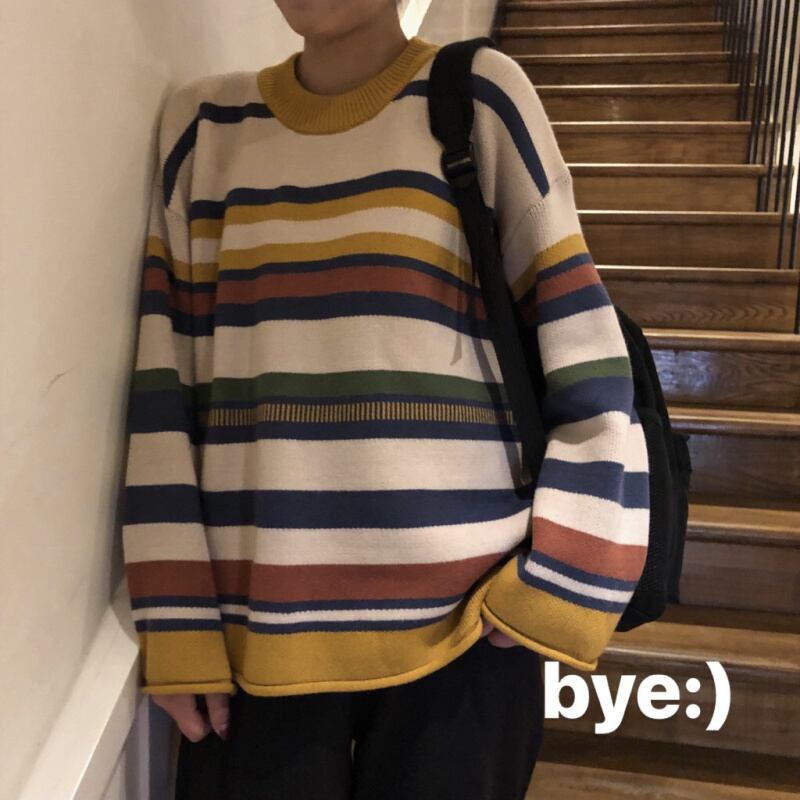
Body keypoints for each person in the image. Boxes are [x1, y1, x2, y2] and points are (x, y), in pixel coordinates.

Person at [120, 0, 650, 797]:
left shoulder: (478, 96)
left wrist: (566, 574)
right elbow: (168, 386)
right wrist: (176, 618)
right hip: (257, 635)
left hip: (468, 631)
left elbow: (581, 342)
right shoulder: (205, 129)